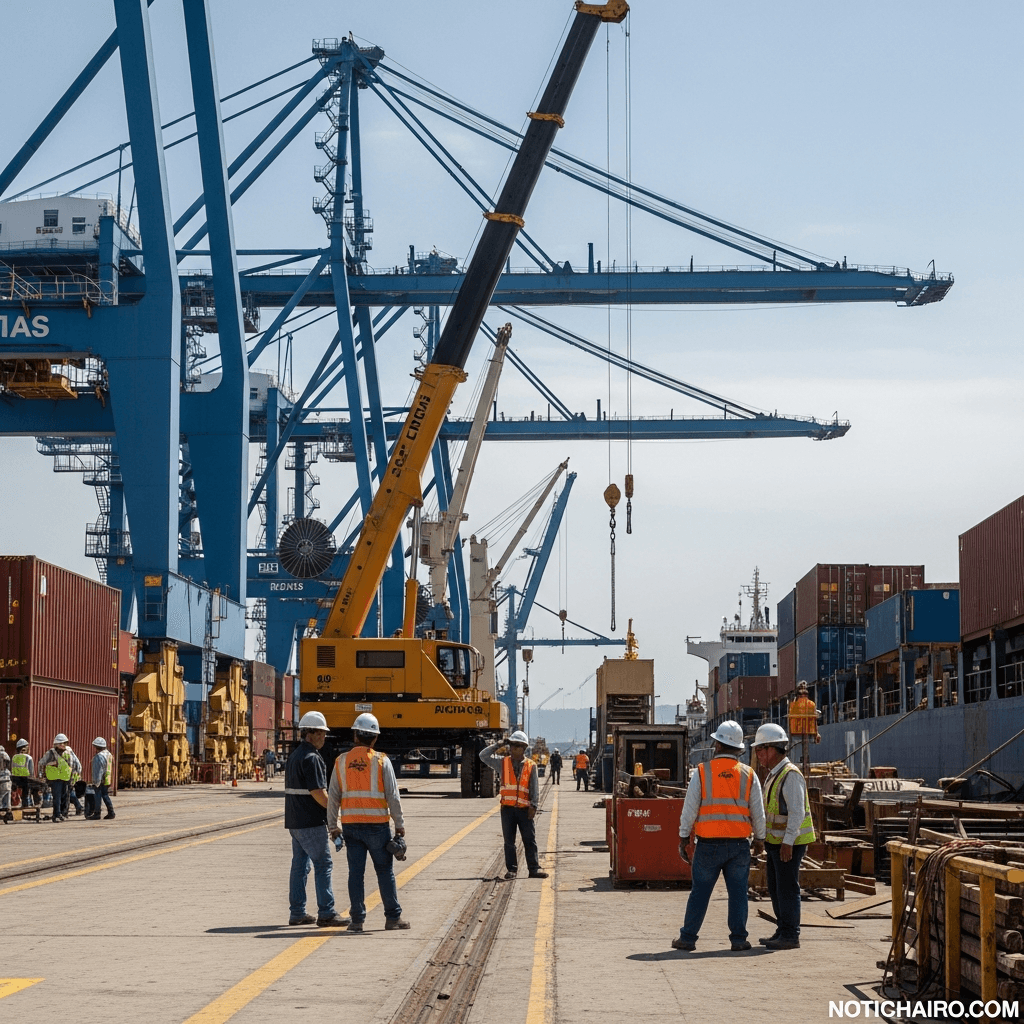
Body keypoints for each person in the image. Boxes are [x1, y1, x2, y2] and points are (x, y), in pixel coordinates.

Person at [671, 721, 765, 953]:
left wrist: (684, 837)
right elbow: (758, 812)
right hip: (738, 846)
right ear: (739, 748)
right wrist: (760, 839)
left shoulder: (702, 773)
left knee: (700, 893)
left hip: (708, 846)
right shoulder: (749, 774)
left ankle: (688, 939)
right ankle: (739, 940)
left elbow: (690, 809)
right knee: (738, 894)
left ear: (717, 744)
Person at [327, 712, 409, 932]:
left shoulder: (341, 761)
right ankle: (392, 918)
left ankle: (357, 921)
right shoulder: (382, 760)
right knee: (384, 872)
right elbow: (393, 795)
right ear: (374, 738)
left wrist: (333, 827)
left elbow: (333, 795)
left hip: (351, 827)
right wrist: (399, 824)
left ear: (355, 735)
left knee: (356, 874)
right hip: (377, 827)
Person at [751, 723, 816, 950]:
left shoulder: (790, 776)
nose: (758, 755)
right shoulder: (774, 775)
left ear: (773, 749)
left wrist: (788, 842)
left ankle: (790, 935)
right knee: (776, 887)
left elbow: (797, 813)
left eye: (761, 750)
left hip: (790, 844)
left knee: (787, 889)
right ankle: (782, 929)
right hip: (776, 844)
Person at [284, 711, 349, 928]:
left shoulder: (295, 755)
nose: (324, 737)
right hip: (311, 821)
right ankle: (327, 912)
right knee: (323, 864)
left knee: (300, 865)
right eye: (321, 733)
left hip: (295, 821)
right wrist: (335, 812)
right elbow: (318, 793)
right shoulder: (312, 758)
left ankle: (297, 912)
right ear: (310, 734)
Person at [479, 731, 548, 880]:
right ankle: (512, 870)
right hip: (508, 810)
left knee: (529, 840)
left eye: (518, 746)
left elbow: (534, 788)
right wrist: (499, 744)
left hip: (525, 810)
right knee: (509, 842)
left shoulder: (531, 766)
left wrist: (534, 806)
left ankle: (534, 869)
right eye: (513, 745)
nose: (515, 749)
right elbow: (483, 756)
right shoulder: (502, 763)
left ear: (524, 748)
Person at [38, 733, 75, 822]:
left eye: (64, 743)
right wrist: (41, 775)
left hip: (65, 778)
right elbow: (41, 763)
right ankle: (56, 815)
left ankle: (61, 813)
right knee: (57, 798)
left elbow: (70, 765)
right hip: (55, 779)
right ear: (56, 744)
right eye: (60, 743)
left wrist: (72, 777)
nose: (62, 745)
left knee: (64, 797)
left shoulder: (67, 752)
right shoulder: (50, 753)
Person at [87, 737, 115, 820]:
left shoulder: (99, 756)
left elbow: (98, 771)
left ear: (96, 746)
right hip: (107, 778)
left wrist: (96, 782)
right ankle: (111, 812)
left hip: (101, 780)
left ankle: (97, 813)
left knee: (98, 796)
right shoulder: (109, 754)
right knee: (105, 796)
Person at [11, 738, 33, 811]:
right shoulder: (28, 757)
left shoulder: (14, 757)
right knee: (27, 791)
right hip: (25, 779)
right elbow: (31, 771)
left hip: (15, 779)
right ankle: (26, 804)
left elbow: (12, 768)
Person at [0, 744, 11, 824]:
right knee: (6, 796)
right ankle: (7, 811)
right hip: (5, 779)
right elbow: (8, 764)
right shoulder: (5, 755)